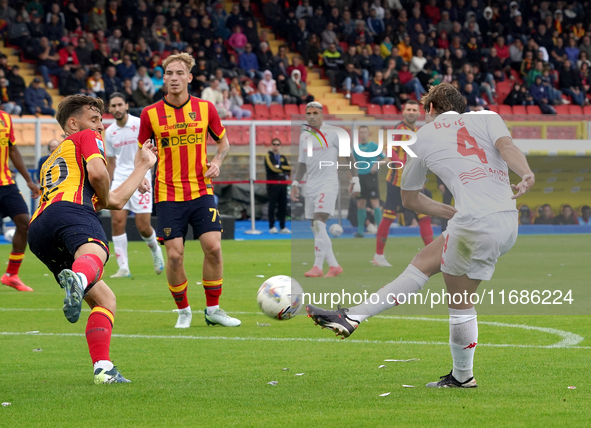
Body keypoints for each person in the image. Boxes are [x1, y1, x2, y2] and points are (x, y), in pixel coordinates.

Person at [307, 83, 535, 389]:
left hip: (472, 223)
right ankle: (352, 315)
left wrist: (449, 213)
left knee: (459, 301)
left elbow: (410, 200)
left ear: (429, 109)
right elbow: (507, 148)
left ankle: (462, 376)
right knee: (424, 262)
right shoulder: (488, 117)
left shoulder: (422, 137)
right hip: (507, 220)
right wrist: (527, 174)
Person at [28, 94, 157, 383]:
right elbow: (99, 173)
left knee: (105, 299)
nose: (101, 126)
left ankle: (103, 368)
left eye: (101, 121)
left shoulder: (54, 158)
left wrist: (142, 166)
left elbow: (114, 201)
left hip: (38, 229)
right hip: (70, 212)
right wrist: (109, 176)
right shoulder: (86, 138)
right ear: (74, 124)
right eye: (95, 119)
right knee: (97, 252)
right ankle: (79, 278)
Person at [137, 53, 241, 329]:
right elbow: (143, 151)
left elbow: (224, 143)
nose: (173, 78)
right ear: (163, 78)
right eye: (168, 73)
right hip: (168, 193)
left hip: (201, 189)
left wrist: (217, 162)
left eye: (179, 73)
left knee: (214, 248)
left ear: (189, 77)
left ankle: (213, 310)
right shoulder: (150, 114)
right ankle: (183, 310)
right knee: (174, 255)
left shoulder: (206, 108)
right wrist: (140, 176)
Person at [291, 101, 360, 278]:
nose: (312, 116)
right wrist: (296, 183)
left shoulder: (335, 133)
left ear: (322, 115)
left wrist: (355, 179)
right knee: (315, 227)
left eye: (315, 113)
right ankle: (334, 266)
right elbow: (301, 163)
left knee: (319, 221)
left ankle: (317, 266)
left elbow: (349, 156)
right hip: (311, 185)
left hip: (328, 184)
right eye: (309, 113)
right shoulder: (304, 136)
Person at [104, 93, 164, 278]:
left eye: (120, 104)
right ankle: (123, 268)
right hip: (120, 178)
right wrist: (108, 184)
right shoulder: (109, 132)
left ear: (127, 105)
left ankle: (156, 251)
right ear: (110, 108)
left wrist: (147, 175)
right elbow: (111, 161)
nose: (117, 109)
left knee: (143, 226)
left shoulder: (139, 124)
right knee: (117, 222)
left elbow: (151, 152)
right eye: (113, 105)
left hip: (141, 175)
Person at [373, 100, 433, 267]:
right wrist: (403, 165)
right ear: (403, 112)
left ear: (418, 112)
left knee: (424, 217)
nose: (411, 112)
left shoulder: (418, 132)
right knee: (389, 216)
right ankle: (378, 256)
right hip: (396, 181)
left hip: (412, 183)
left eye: (414, 109)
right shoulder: (398, 129)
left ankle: (433, 256)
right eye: (408, 109)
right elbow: (390, 149)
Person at [0, 109, 40, 292]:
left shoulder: (5, 118)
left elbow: (13, 150)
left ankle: (11, 275)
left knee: (25, 223)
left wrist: (29, 181)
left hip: (6, 183)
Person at [353, 125, 385, 238]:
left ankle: (380, 231)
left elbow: (386, 158)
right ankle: (360, 231)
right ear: (359, 134)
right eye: (361, 132)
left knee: (374, 202)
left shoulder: (374, 146)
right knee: (360, 203)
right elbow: (353, 164)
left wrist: (377, 164)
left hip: (371, 177)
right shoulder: (355, 148)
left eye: (364, 132)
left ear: (368, 133)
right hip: (360, 177)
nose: (363, 134)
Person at [265, 138, 291, 234]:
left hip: (282, 185)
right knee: (272, 205)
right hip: (272, 185)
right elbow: (272, 168)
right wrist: (282, 169)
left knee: (283, 205)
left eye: (278, 144)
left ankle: (282, 226)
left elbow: (289, 168)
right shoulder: (268, 156)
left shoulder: (282, 157)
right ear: (272, 145)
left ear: (280, 146)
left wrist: (280, 167)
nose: (276, 146)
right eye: (274, 144)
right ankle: (272, 226)